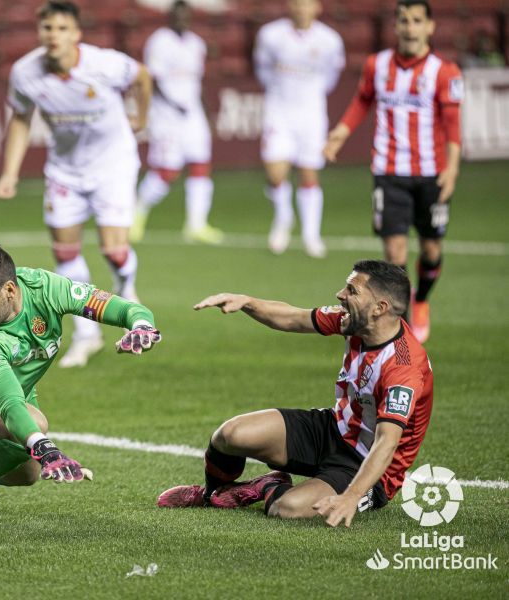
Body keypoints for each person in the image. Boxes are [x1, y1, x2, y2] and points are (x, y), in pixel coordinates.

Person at [0, 242, 162, 526]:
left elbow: (119, 307)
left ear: (9, 290)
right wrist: (44, 447)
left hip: (16, 387)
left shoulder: (46, 289)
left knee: (26, 474)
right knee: (33, 426)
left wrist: (141, 326)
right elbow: (9, 405)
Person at [158, 260, 433, 528]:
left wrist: (351, 496)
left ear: (379, 308)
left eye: (352, 291)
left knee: (286, 508)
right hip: (333, 429)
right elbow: (293, 317)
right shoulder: (352, 321)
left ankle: (268, 485)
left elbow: (386, 442)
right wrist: (246, 301)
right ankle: (213, 494)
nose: (340, 295)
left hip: (368, 466)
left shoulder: (404, 368)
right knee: (230, 435)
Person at [0, 1, 153, 368]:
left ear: (77, 34)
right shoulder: (25, 72)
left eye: (62, 29)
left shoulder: (104, 64)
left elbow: (142, 76)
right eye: (48, 28)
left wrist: (140, 118)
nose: (54, 36)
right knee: (65, 253)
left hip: (113, 164)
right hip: (65, 170)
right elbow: (20, 119)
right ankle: (86, 335)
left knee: (114, 250)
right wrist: (10, 172)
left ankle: (126, 292)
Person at [324, 0, 462, 343]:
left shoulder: (444, 72)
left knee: (431, 250)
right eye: (403, 20)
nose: (409, 27)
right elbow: (361, 101)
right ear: (396, 25)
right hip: (388, 172)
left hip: (431, 173)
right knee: (395, 255)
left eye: (416, 21)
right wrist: (340, 133)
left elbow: (453, 125)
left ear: (429, 27)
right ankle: (401, 326)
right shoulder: (377, 64)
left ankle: (423, 299)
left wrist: (453, 169)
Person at [254, 0, 344, 258]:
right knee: (275, 173)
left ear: (317, 7)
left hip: (311, 115)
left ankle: (311, 235)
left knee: (309, 174)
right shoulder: (270, 35)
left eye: (307, 4)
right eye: (296, 3)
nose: (301, 8)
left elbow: (331, 77)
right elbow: (262, 69)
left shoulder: (330, 40)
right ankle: (283, 219)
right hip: (279, 112)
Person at [130, 0, 224, 245]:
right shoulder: (159, 41)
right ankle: (136, 215)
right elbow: (155, 81)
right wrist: (174, 103)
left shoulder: (196, 43)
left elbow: (198, 83)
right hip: (167, 118)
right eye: (177, 15)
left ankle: (196, 224)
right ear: (170, 17)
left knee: (201, 166)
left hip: (193, 117)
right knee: (166, 172)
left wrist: (206, 113)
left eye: (185, 15)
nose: (182, 19)